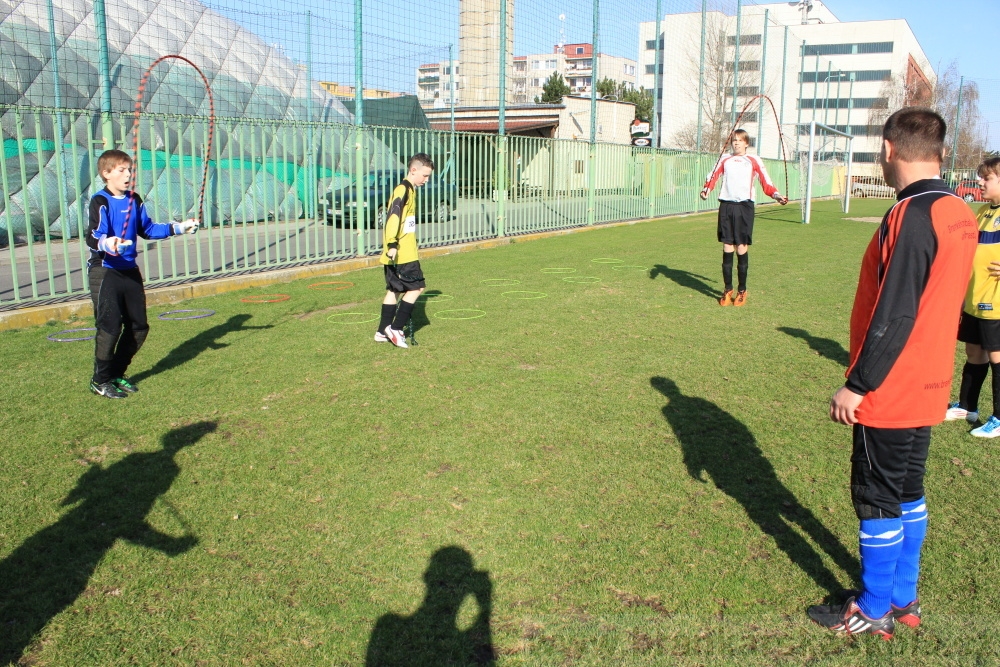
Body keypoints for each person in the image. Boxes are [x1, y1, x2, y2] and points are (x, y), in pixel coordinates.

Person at [808, 108, 977, 639]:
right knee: (907, 489)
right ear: (942, 153)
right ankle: (904, 598)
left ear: (888, 150)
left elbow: (897, 310)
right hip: (930, 381)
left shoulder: (913, 214)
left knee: (877, 493)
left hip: (894, 385)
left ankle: (875, 606)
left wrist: (858, 383)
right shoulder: (959, 210)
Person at [86, 149, 199, 398]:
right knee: (110, 327)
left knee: (139, 327)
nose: (128, 174)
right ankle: (99, 380)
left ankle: (115, 374)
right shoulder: (100, 201)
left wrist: (180, 227)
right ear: (106, 174)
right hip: (105, 271)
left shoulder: (134, 199)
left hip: (129, 270)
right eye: (121, 170)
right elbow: (93, 236)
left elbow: (147, 229)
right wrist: (110, 243)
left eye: (130, 169)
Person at [700, 129, 788, 307]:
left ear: (747, 143)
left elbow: (766, 182)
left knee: (741, 246)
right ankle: (727, 290)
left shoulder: (754, 160)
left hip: (744, 207)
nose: (736, 143)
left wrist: (777, 195)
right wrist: (706, 190)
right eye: (734, 140)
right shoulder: (724, 159)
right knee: (727, 246)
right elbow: (713, 176)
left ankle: (742, 290)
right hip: (726, 205)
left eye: (740, 140)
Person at [944, 157, 1000, 436]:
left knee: (997, 356)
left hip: (997, 303)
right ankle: (968, 406)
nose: (980, 182)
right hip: (975, 298)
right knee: (974, 352)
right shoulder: (981, 212)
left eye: (986, 178)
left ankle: (999, 418)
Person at [375, 153, 434, 348]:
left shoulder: (410, 189)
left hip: (399, 251)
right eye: (425, 176)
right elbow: (393, 216)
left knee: (394, 289)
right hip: (402, 252)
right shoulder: (403, 190)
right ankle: (396, 328)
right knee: (417, 288)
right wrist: (392, 244)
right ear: (413, 170)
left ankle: (382, 331)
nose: (426, 180)